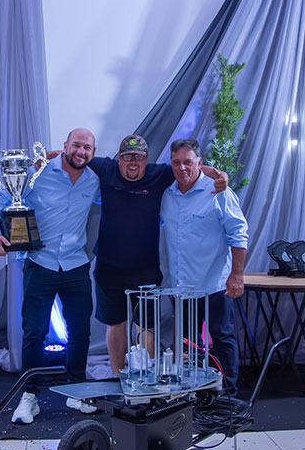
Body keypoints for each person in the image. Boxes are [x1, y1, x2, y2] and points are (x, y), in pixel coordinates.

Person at [88, 135, 229, 375]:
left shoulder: (160, 174)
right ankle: (116, 377)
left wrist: (219, 175)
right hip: (108, 267)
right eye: (128, 156)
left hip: (145, 268)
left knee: (146, 326)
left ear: (147, 159)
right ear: (119, 158)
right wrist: (51, 157)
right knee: (115, 323)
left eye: (139, 157)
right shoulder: (105, 168)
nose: (133, 161)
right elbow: (76, 157)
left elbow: (193, 168)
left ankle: (147, 378)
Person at [0, 128, 100, 424]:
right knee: (33, 333)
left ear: (93, 152)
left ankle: (77, 391)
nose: (81, 151)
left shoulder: (94, 180)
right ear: (65, 146)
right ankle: (29, 396)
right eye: (76, 145)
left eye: (87, 147)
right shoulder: (38, 171)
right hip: (40, 262)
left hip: (76, 264)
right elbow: (2, 196)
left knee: (80, 331)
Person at [160, 138, 248, 393]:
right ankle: (194, 394)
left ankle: (228, 396)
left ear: (199, 163)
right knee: (187, 344)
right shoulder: (167, 195)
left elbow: (238, 234)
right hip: (181, 287)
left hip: (214, 285)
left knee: (222, 339)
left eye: (188, 162)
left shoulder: (219, 192)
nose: (182, 168)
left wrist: (237, 275)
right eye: (176, 162)